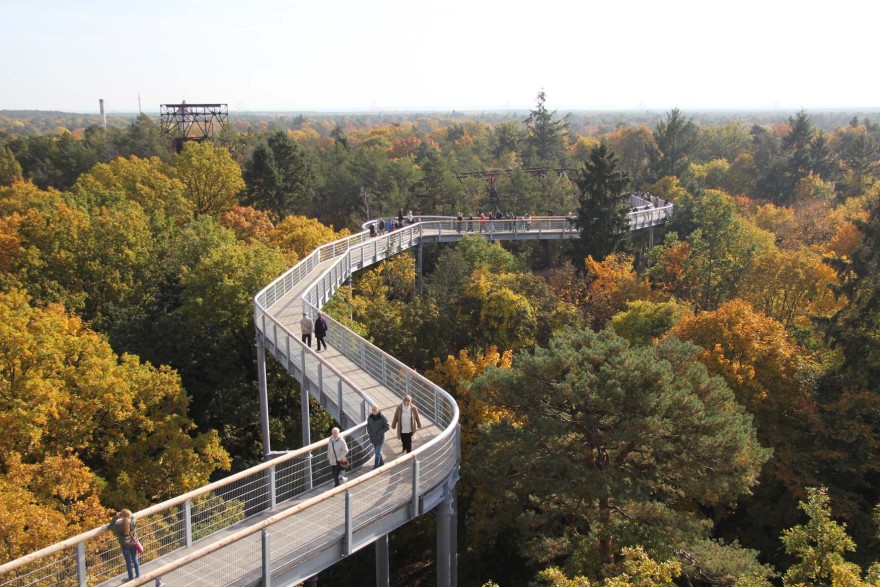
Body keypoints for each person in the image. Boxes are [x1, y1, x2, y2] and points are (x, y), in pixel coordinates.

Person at [109, 509, 140, 580]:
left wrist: (116, 517)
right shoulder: (133, 522)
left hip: (125, 545)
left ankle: (130, 577)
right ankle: (138, 575)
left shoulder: (119, 525)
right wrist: (129, 515)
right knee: (135, 559)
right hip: (133, 543)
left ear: (121, 516)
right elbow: (134, 517)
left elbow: (110, 527)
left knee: (128, 562)